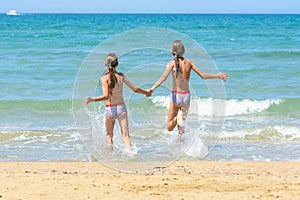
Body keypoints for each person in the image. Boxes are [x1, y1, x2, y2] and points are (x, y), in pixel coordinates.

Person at [149, 40, 228, 135]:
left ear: (172, 51)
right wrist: (217, 76)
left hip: (176, 96)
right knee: (181, 126)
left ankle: (178, 117)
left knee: (169, 127)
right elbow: (203, 76)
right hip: (186, 97)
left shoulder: (171, 64)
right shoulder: (189, 63)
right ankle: (182, 144)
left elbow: (163, 78)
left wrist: (152, 88)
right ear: (183, 51)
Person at [83, 53, 151, 152]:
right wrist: (146, 92)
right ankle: (131, 154)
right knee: (125, 135)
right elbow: (135, 89)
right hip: (121, 108)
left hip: (110, 108)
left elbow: (106, 96)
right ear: (117, 64)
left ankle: (110, 156)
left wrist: (92, 99)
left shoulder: (104, 79)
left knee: (109, 135)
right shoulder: (121, 76)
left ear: (106, 65)